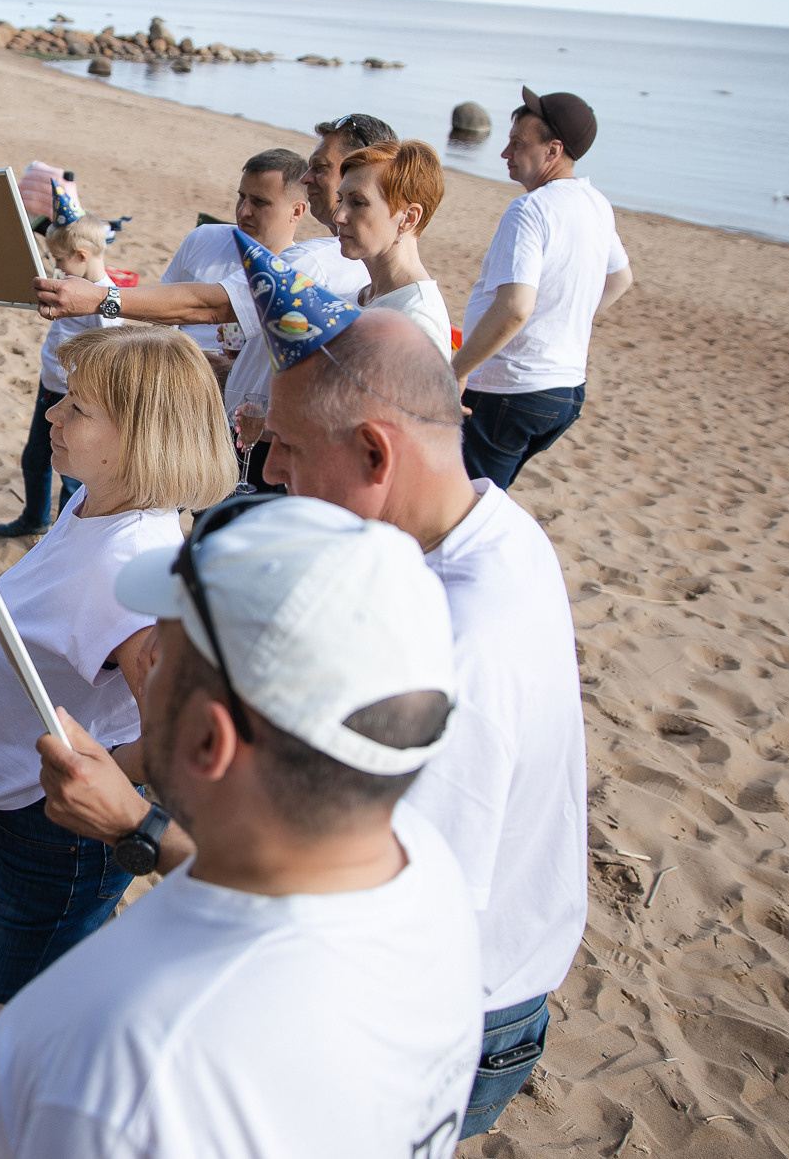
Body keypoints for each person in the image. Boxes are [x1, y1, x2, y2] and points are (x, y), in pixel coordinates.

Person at [31, 304, 590, 1141]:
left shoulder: (452, 646)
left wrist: (136, 823)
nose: (269, 466)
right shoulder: (494, 529)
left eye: (287, 444)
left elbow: (345, 911)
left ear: (374, 450)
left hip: (456, 1002)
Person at [0, 495, 481, 1158]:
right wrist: (32, 1040)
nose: (141, 668)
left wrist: (59, 1062)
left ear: (209, 739)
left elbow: (142, 1078)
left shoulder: (131, 1074)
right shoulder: (423, 867)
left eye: (158, 655)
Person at [0, 325, 232, 1153]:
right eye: (65, 397)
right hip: (19, 812)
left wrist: (117, 777)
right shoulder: (92, 498)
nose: (54, 415)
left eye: (81, 408)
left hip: (55, 843)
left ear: (138, 441)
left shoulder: (135, 572)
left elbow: (184, 735)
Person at [33, 119, 393, 480]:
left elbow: (210, 306)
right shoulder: (352, 262)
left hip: (259, 445)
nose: (309, 177)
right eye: (241, 198)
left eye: (321, 168)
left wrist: (100, 298)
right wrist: (237, 370)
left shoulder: (317, 260)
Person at [452, 88, 634, 488]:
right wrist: (560, 317)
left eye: (518, 144)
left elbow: (516, 307)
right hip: (565, 392)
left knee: (461, 507)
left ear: (553, 151)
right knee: (485, 499)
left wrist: (457, 371)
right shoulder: (595, 203)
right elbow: (620, 279)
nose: (505, 153)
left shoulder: (530, 210)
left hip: (510, 390)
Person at [0, 215, 120, 538]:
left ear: (82, 255)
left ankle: (65, 534)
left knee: (72, 474)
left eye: (60, 261)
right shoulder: (72, 290)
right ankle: (35, 517)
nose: (58, 268)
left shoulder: (105, 300)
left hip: (74, 401)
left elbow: (106, 358)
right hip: (48, 389)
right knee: (35, 458)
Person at [333, 139, 452, 356]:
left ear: (408, 218)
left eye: (358, 202)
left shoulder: (417, 319)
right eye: (339, 200)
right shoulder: (361, 297)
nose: (338, 216)